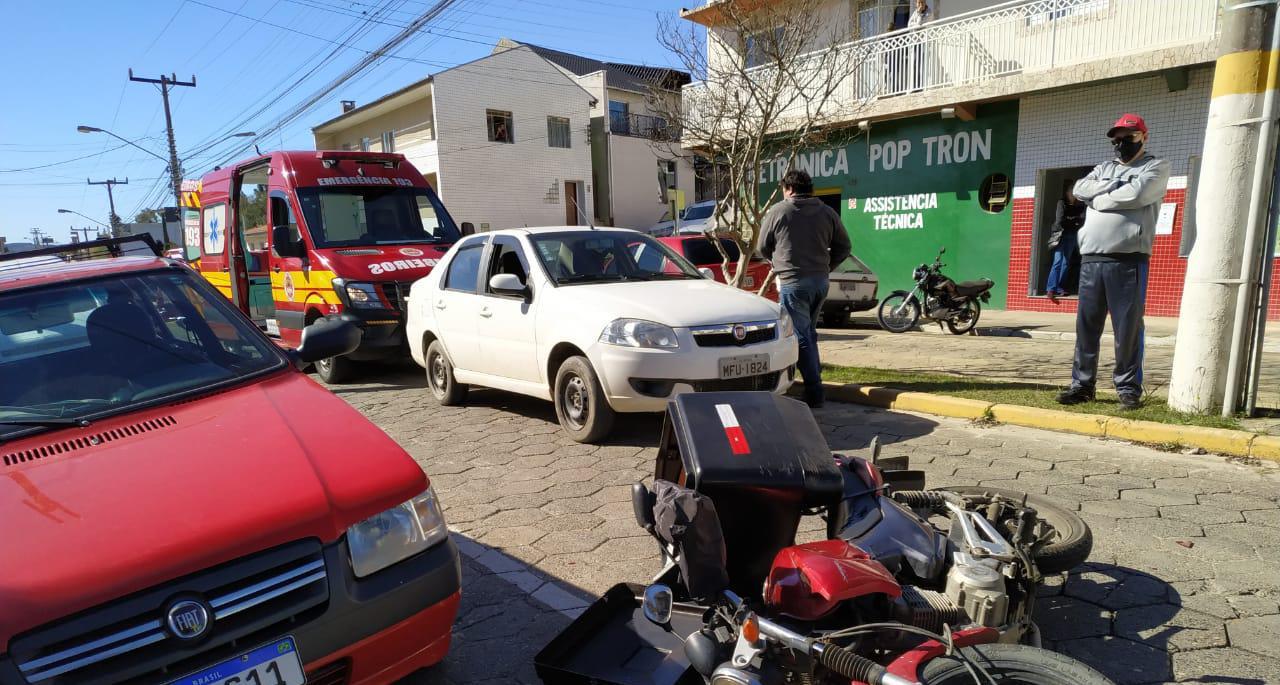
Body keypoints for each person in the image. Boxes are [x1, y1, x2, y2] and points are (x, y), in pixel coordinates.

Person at [1057, 113, 1170, 410]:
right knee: (1086, 329)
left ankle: (1128, 390)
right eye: (1116, 140)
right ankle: (1081, 386)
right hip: (1092, 259)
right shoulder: (1103, 167)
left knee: (1128, 329)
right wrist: (1113, 189)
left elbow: (1140, 193)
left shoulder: (1155, 166)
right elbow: (1079, 189)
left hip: (1128, 260)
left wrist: (1101, 196)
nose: (1121, 144)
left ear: (1143, 136)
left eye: (1128, 138)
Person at [760, 169, 852, 409]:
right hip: (820, 281)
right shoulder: (827, 212)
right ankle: (813, 382)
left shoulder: (779, 211)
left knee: (800, 336)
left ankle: (814, 390)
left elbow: (762, 247)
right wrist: (827, 266)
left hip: (794, 282)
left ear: (788, 189)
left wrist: (776, 260)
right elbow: (844, 246)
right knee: (809, 333)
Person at [1045, 180, 1087, 302]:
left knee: (1066, 262)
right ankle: (1051, 288)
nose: (1073, 194)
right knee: (1057, 261)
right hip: (1061, 234)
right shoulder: (1061, 203)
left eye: (1075, 192)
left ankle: (1060, 287)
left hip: (1072, 234)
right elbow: (1060, 220)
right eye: (1071, 191)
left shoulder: (1079, 205)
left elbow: (1082, 219)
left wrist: (1072, 220)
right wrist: (1074, 220)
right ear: (1068, 192)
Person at [907, 0, 932, 91]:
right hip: (915, 41)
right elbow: (909, 25)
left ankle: (920, 86)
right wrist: (917, 21)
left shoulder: (928, 12)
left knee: (921, 64)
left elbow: (920, 24)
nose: (920, 5)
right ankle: (915, 86)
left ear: (924, 3)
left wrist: (918, 17)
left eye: (921, 2)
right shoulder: (915, 12)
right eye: (918, 3)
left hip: (924, 41)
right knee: (914, 64)